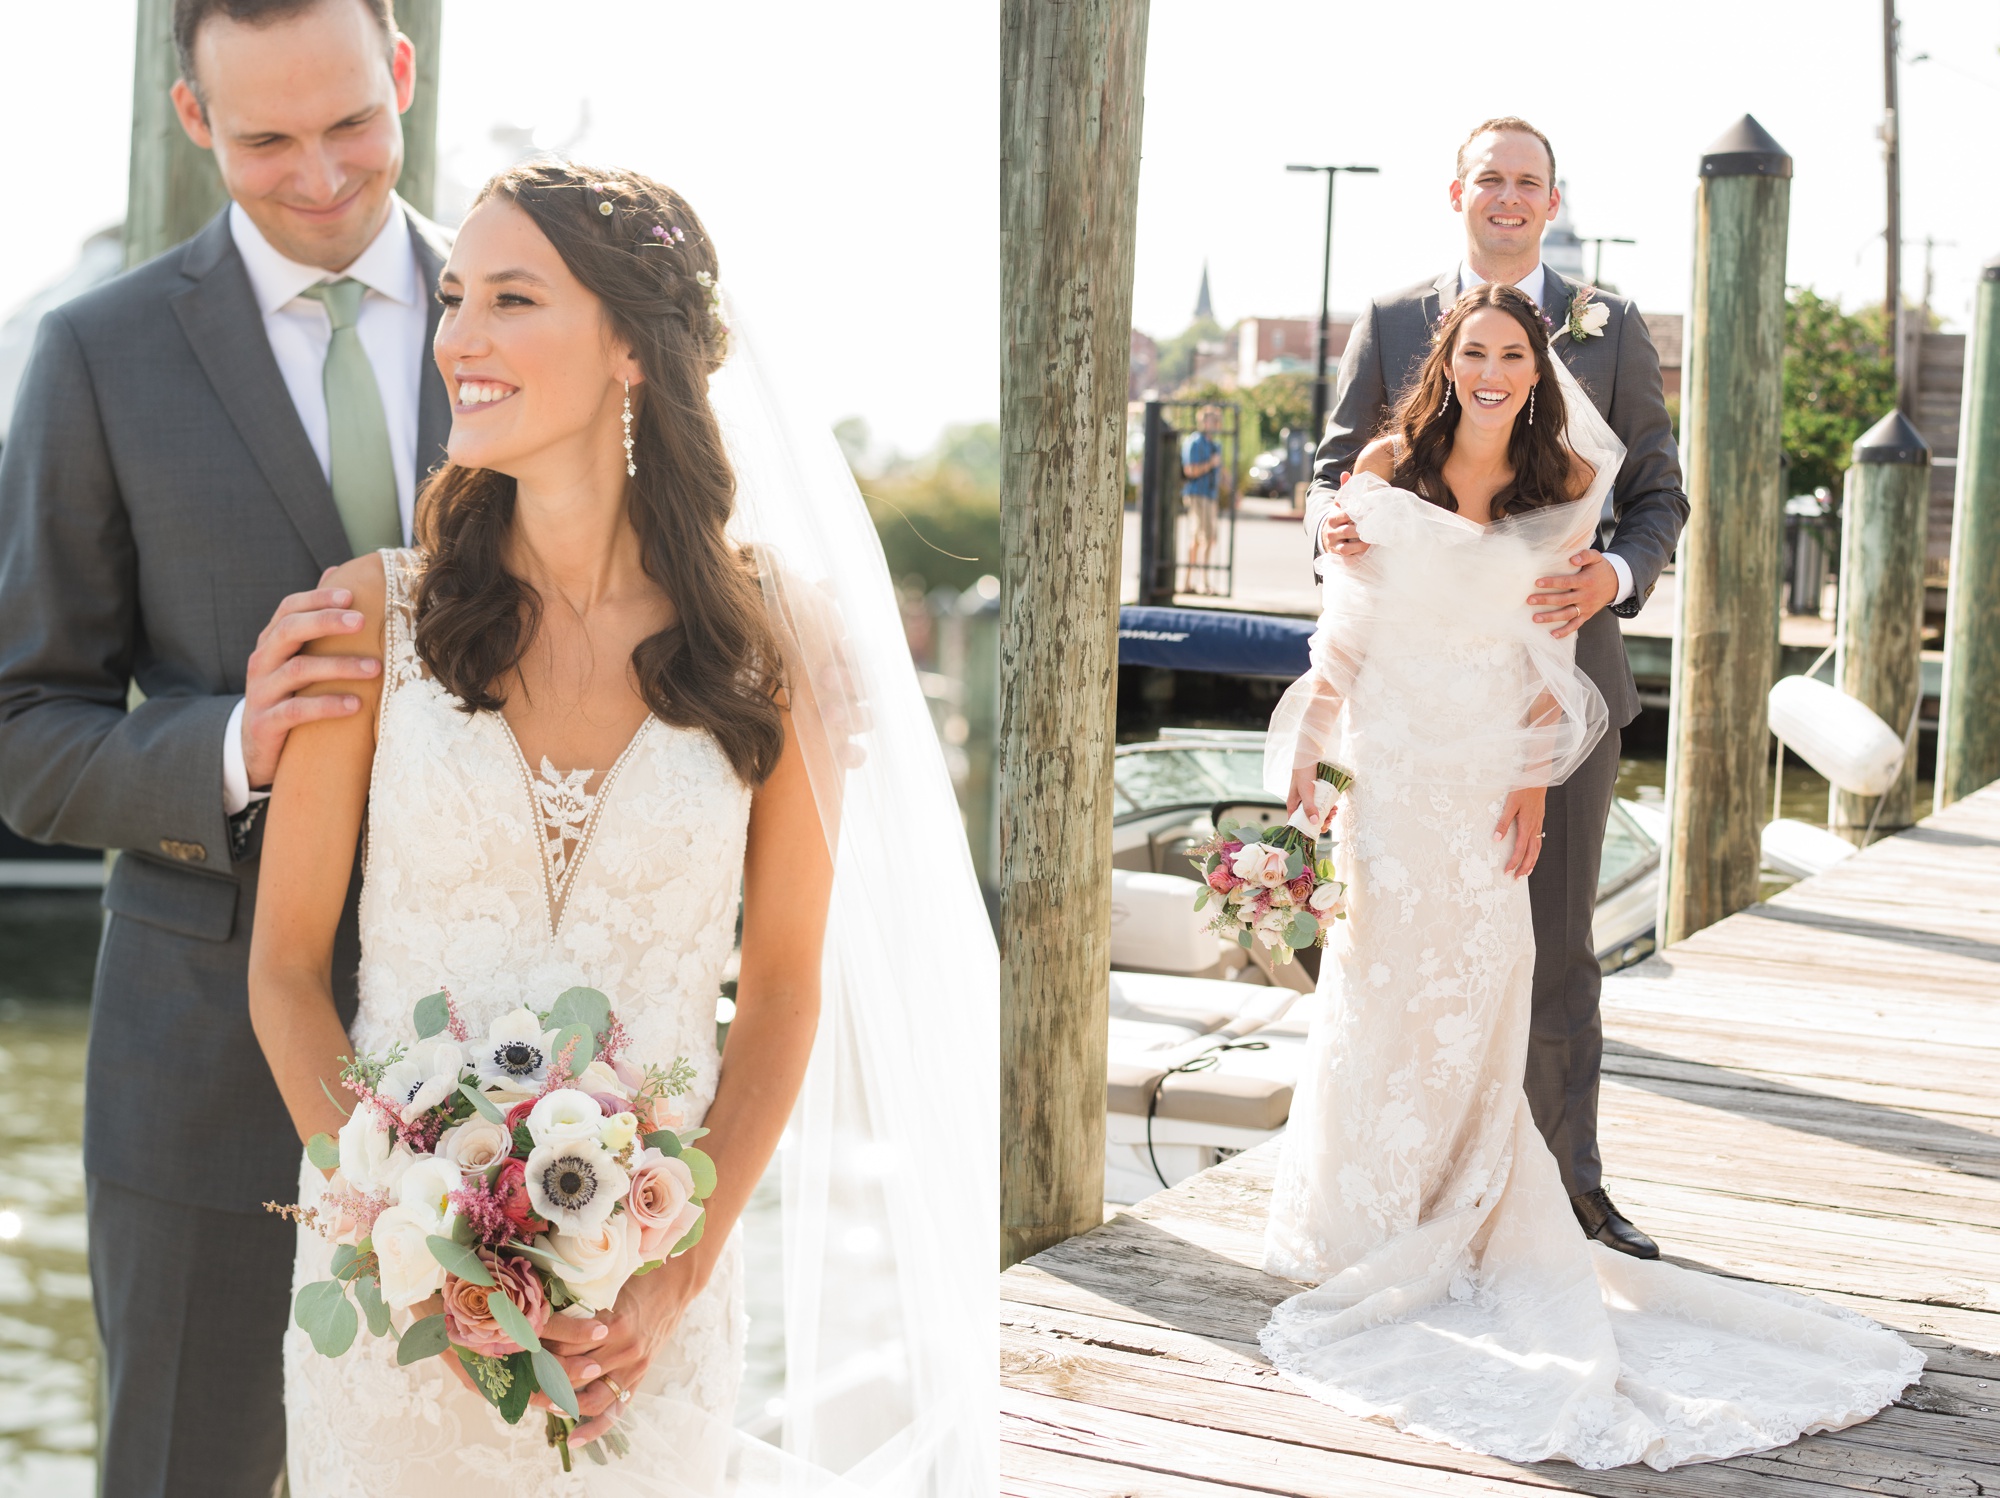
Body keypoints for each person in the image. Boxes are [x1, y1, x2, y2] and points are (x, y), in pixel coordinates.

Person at [250, 160, 995, 1495]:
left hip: (644, 1313)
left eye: (512, 299)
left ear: (630, 354)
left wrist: (667, 1275)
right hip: (390, 1309)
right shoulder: (369, 617)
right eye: (456, 297)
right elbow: (289, 971)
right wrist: (403, 1221)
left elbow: (777, 992)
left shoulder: (780, 644)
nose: (457, 338)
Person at [1257, 282, 1920, 1469]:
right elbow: (1342, 630)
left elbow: (1543, 650)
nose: (1494, 369)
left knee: (1483, 976)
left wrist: (1526, 778)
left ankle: (1470, 1213)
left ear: (1535, 365)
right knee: (1374, 983)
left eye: (1513, 352)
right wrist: (1307, 747)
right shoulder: (1380, 469)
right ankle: (1366, 1217)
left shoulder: (1562, 487)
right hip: (1391, 762)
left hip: (1481, 773)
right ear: (1445, 361)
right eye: (1475, 351)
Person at [0, 2, 449, 1490]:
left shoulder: (543, 315)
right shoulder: (96, 356)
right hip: (198, 1072)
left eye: (347, 124)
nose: (319, 174)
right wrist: (233, 744)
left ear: (401, 74)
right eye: (265, 139)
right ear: (194, 121)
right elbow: (25, 730)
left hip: (515, 1038)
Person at [1305, 116, 1682, 1258]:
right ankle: (1416, 1191)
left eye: (1528, 183)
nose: (1507, 199)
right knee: (1408, 941)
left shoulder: (1611, 331)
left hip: (1557, 694)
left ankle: (1567, 1193)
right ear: (1454, 191)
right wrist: (1329, 525)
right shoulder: (1386, 323)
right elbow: (1334, 468)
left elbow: (1659, 491)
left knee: (1554, 945)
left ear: (1552, 198)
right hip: (1417, 704)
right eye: (1490, 180)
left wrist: (1613, 574)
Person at [1181, 405, 1225, 593]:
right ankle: (1193, 581)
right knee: (1200, 538)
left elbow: (1220, 471)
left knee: (1208, 538)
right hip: (1197, 494)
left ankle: (1198, 581)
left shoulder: (1214, 445)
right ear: (1205, 422)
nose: (1217, 425)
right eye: (1214, 421)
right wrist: (1210, 464)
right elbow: (1190, 471)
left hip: (1210, 495)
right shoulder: (1194, 442)